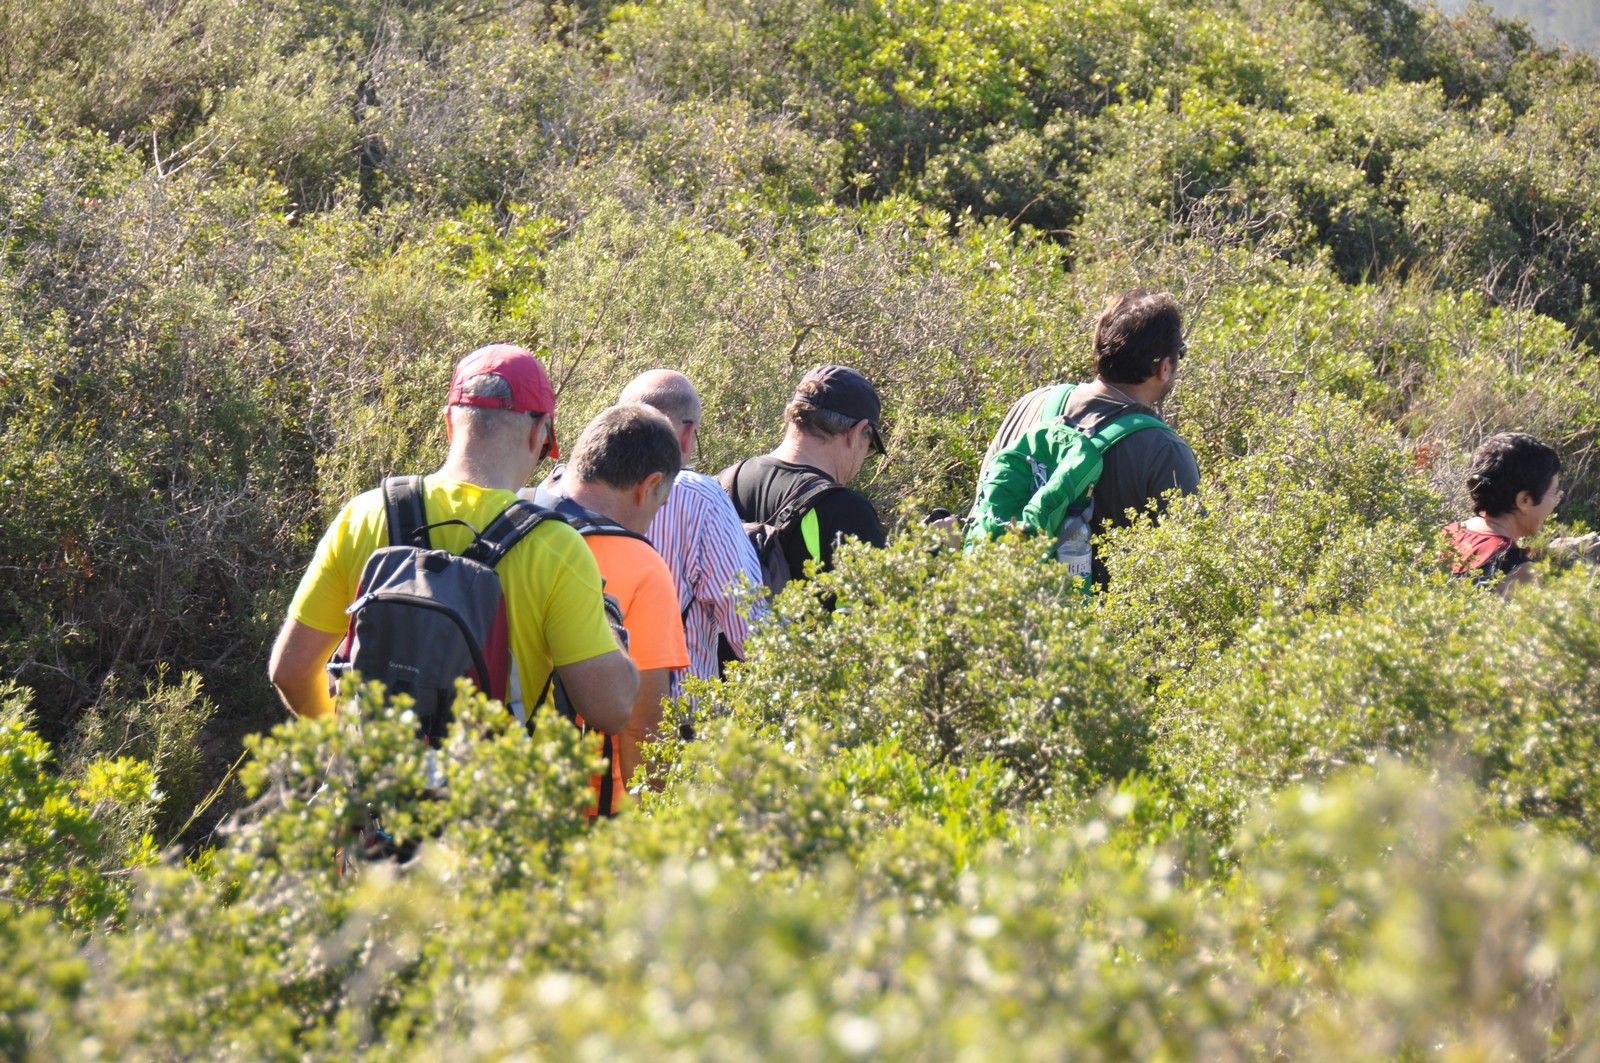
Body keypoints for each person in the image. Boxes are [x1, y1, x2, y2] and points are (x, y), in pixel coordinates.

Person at [267, 344, 638, 737]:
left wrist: (351, 748)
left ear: (449, 422)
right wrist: (607, 621)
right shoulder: (556, 547)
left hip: (372, 773)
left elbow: (290, 672)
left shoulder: (364, 515)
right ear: (538, 433)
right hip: (492, 776)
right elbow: (612, 709)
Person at [974, 289, 1200, 574]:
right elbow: (1190, 571)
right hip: (1089, 605)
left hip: (995, 594)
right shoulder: (1165, 451)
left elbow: (980, 510)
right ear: (1165, 367)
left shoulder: (1030, 405)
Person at [537, 403, 690, 813]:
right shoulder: (640, 564)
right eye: (660, 503)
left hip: (485, 788)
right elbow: (644, 725)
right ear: (649, 485)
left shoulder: (511, 518)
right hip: (585, 812)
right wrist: (654, 826)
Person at [617, 370, 765, 684]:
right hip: (674, 708)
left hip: (577, 708)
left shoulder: (562, 488)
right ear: (687, 435)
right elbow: (750, 629)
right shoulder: (699, 497)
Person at [720, 364, 888, 586]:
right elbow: (878, 604)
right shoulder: (845, 510)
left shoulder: (721, 483)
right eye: (868, 448)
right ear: (856, 432)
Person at [1445, 431, 1562, 592]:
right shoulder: (1522, 574)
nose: (1555, 502)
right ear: (1524, 501)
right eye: (1553, 493)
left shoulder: (1447, 534)